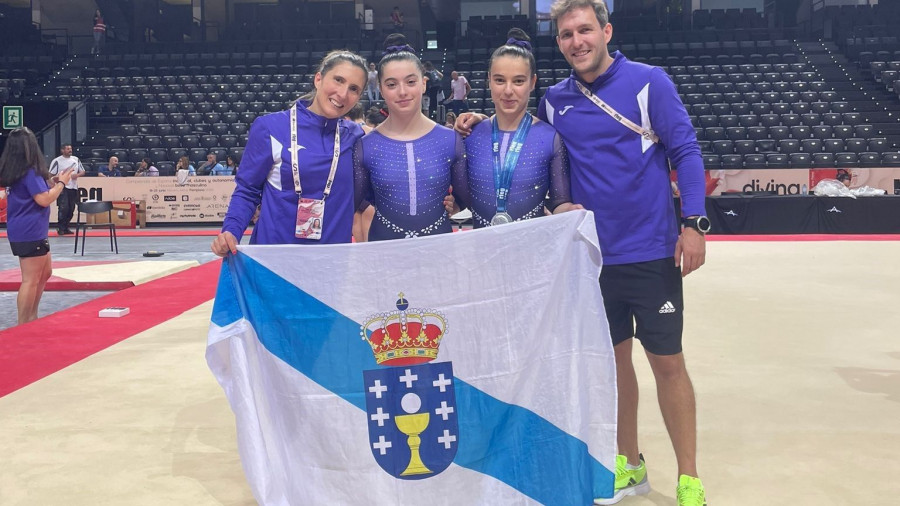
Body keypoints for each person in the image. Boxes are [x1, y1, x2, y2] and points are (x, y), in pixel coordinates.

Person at [457, 1, 708, 504]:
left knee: (668, 364)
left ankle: (688, 475)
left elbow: (686, 150)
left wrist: (694, 224)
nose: (577, 40)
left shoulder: (648, 82)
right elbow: (522, 131)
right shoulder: (554, 100)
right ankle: (630, 461)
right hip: (590, 259)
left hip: (650, 252)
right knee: (614, 367)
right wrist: (479, 121)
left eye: (585, 30)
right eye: (566, 33)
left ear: (606, 31)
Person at [212, 50, 369, 255]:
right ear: (318, 78)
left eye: (354, 89)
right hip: (275, 261)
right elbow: (247, 190)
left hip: (331, 265)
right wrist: (231, 231)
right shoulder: (271, 128)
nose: (343, 93)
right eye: (338, 80)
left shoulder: (355, 137)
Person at [462, 28, 581, 228]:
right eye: (500, 80)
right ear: (488, 80)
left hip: (532, 251)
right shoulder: (470, 134)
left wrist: (571, 211)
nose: (508, 91)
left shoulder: (550, 137)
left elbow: (560, 201)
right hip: (481, 252)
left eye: (518, 81)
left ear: (532, 82)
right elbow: (458, 196)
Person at [353, 34, 468, 242]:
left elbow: (467, 198)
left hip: (438, 253)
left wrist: (456, 204)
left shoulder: (450, 140)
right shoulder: (365, 146)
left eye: (411, 82)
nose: (403, 92)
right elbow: (349, 205)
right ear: (380, 89)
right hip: (384, 253)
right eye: (391, 84)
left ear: (423, 84)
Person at [0, 127, 74, 325]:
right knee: (31, 279)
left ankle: (31, 316)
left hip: (28, 228)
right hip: (29, 230)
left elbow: (39, 190)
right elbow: (43, 199)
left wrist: (54, 181)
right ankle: (25, 321)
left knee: (45, 272)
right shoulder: (29, 172)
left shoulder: (17, 171)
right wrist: (62, 184)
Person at [48, 143, 85, 235]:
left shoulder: (76, 159)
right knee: (63, 208)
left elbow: (83, 171)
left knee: (71, 208)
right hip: (62, 187)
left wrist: (77, 175)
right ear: (62, 150)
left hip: (73, 187)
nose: (70, 150)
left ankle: (66, 226)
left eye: (70, 149)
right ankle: (61, 227)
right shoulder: (57, 161)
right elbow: (50, 174)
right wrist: (54, 183)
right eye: (68, 149)